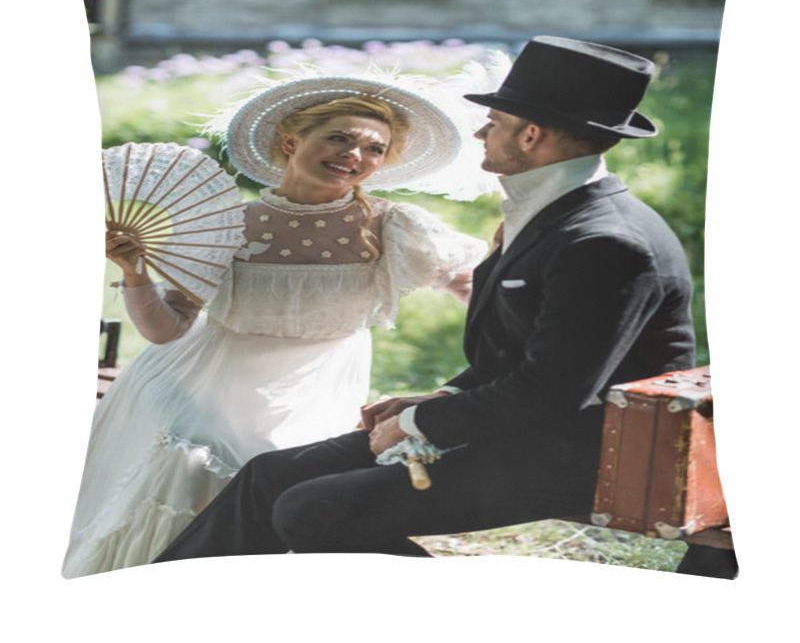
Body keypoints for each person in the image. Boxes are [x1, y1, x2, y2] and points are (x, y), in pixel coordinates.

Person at [152, 35, 735, 578]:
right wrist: (441, 397)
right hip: (515, 423)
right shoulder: (555, 209)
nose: (482, 135)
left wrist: (418, 424)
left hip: (577, 453)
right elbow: (520, 355)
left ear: (530, 136)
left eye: (495, 123)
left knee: (312, 507)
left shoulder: (606, 241)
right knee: (268, 476)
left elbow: (555, 391)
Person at [62, 74, 487, 578]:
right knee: (200, 466)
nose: (355, 154)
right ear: (291, 142)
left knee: (283, 483)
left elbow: (473, 288)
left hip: (315, 389)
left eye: (375, 147)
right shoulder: (228, 225)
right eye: (339, 137)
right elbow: (166, 330)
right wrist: (135, 272)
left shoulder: (392, 229)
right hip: (203, 382)